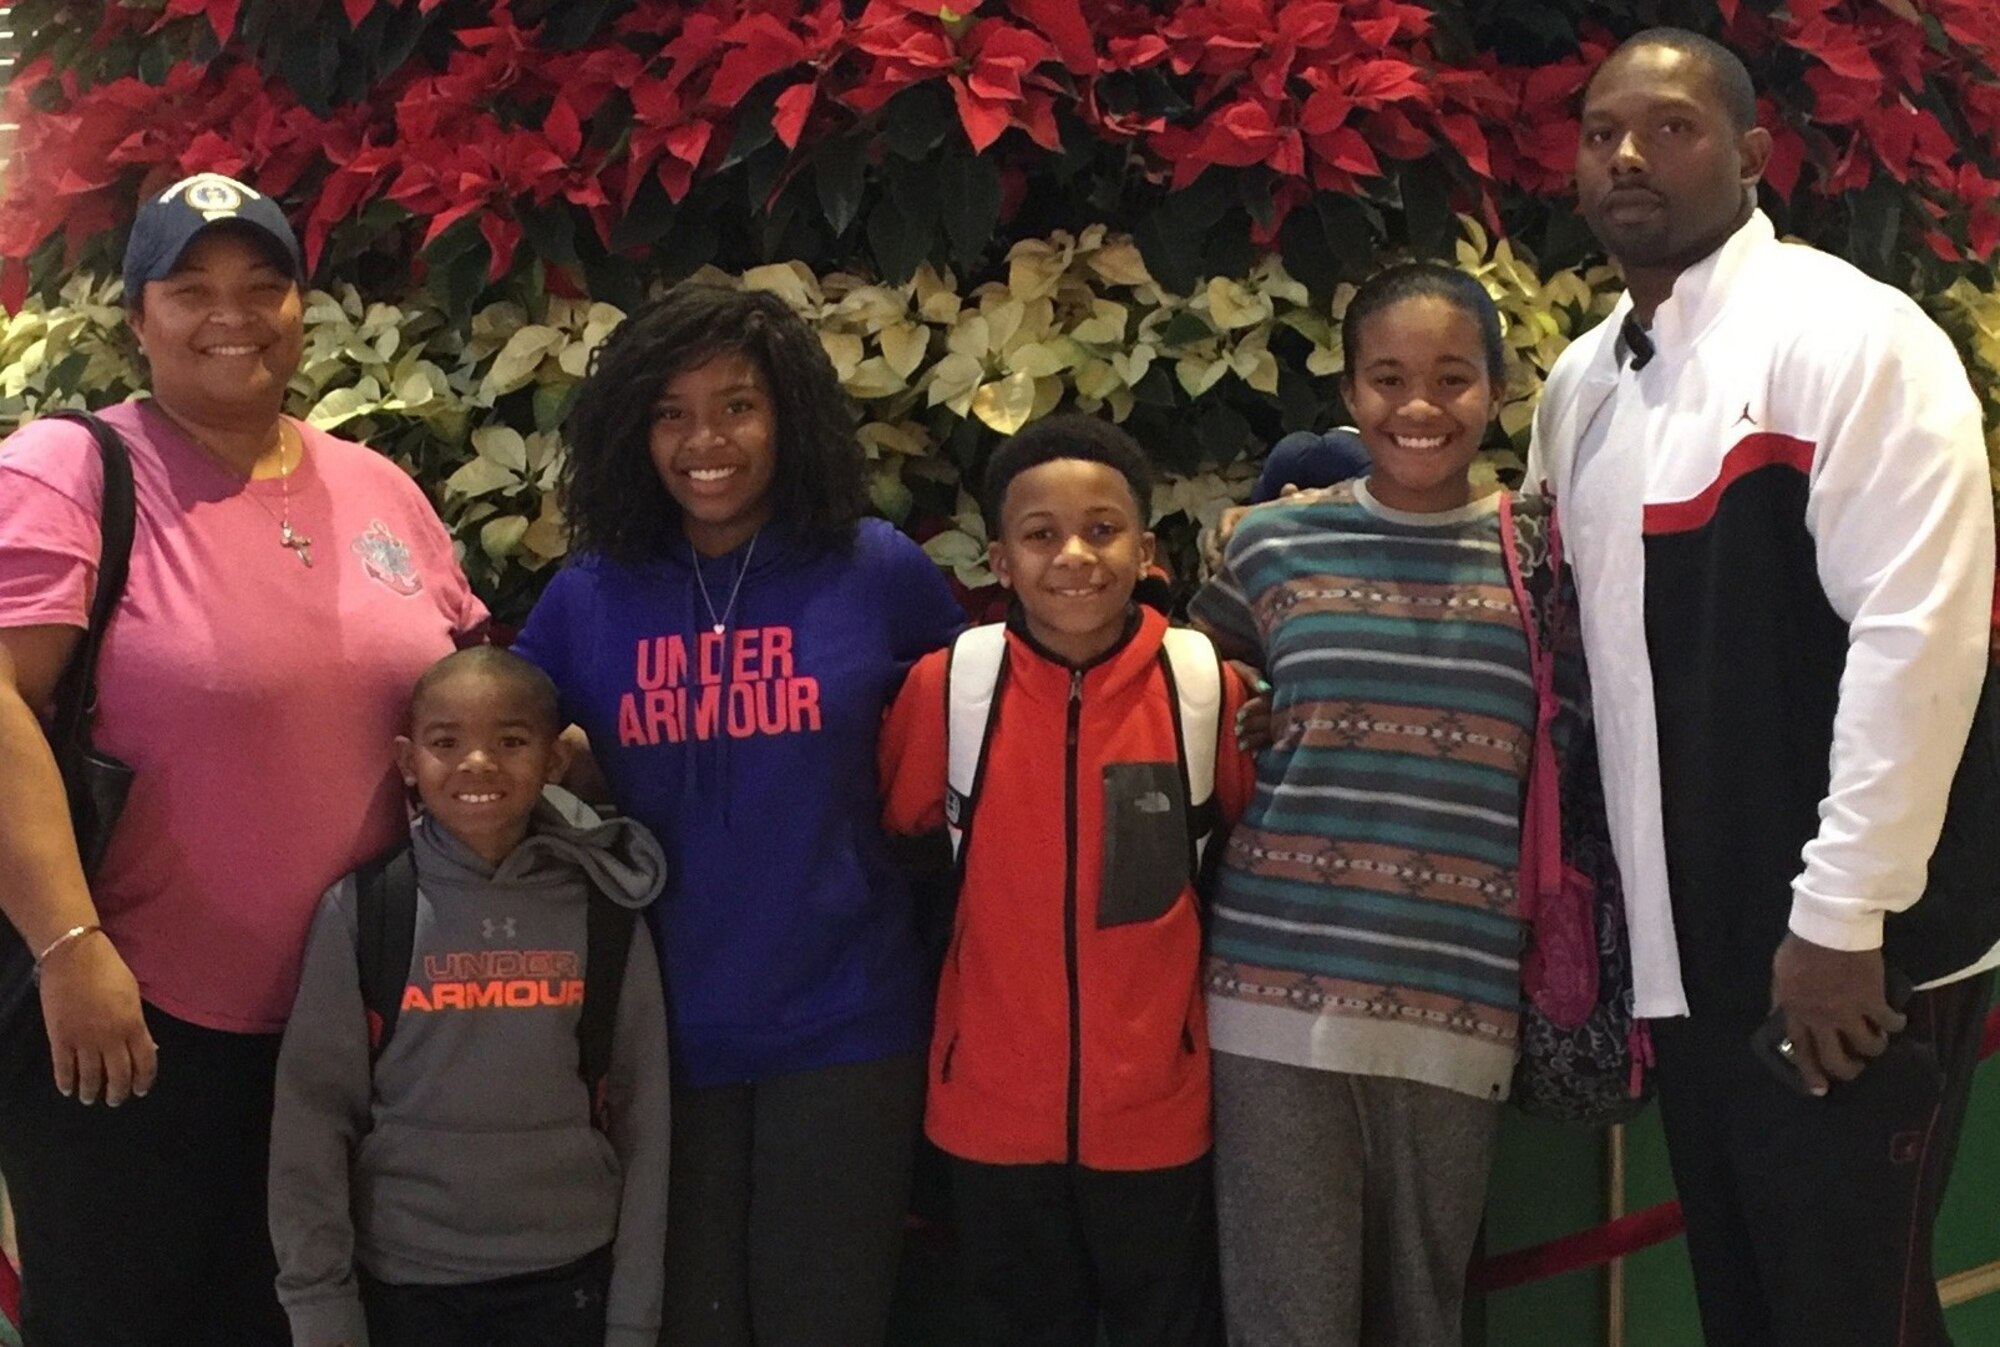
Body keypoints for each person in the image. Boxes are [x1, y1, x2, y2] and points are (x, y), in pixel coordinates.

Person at [1528, 29, 1999, 1347]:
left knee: (1854, 1311)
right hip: (1694, 954)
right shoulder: (1580, 386)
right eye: (1602, 128)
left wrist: (1842, 920)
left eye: (1670, 127)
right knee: (1750, 1303)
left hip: (1845, 952)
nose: (1628, 152)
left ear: (1752, 156)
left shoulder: (1850, 337)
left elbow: (1923, 636)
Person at [0, 172, 486, 1345]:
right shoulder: (69, 470)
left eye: (264, 288)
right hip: (135, 1028)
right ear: (137, 319)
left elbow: (464, 700)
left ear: (300, 309)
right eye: (193, 289)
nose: (234, 314)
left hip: (355, 1034)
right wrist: (70, 947)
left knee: (299, 1320)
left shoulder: (378, 486)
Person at [509, 281, 965, 1347]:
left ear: (788, 417)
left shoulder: (875, 570)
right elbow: (503, 746)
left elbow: (990, 720)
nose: (702, 440)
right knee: (685, 1320)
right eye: (670, 412)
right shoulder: (589, 592)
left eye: (736, 406)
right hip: (661, 1026)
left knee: (829, 1317)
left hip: (850, 1017)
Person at [1191, 263, 1546, 1347]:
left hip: (1457, 997)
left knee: (1422, 1321)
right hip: (1269, 995)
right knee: (1282, 1321)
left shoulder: (1542, 556)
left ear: (1494, 390)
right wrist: (1249, 708)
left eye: (1451, 377)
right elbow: (1176, 701)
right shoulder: (1267, 545)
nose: (1418, 407)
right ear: (1348, 394)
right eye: (1387, 378)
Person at [877, 414, 1255, 1347]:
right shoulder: (950, 688)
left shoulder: (1201, 686)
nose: (1075, 555)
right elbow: (906, 831)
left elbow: (1239, 841)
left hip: (1161, 1114)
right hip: (989, 1113)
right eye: (1041, 535)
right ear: (1000, 559)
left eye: (1102, 528)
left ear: (1148, 547)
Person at [268, 646, 671, 1347]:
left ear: (552, 760)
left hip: (565, 1273)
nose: (478, 763)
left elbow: (644, 1116)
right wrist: (321, 1311)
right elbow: (311, 1124)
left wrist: (634, 1315)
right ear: (406, 759)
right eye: (446, 741)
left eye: (510, 741)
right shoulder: (366, 910)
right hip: (406, 1280)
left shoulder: (605, 910)